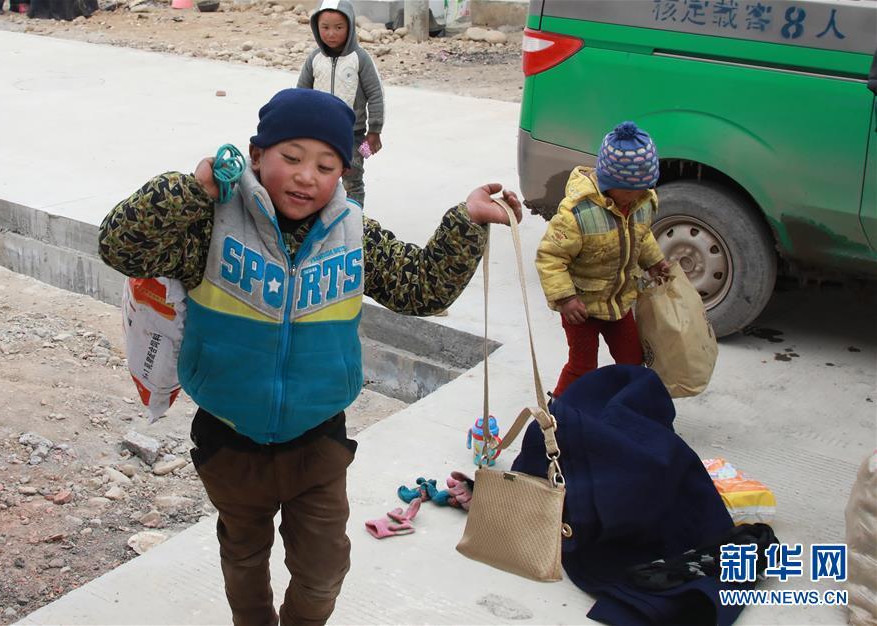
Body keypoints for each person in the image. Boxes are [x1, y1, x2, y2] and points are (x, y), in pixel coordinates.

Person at [98, 87, 521, 626]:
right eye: (291, 158)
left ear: (343, 174)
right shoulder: (210, 225)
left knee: (323, 570)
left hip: (318, 441)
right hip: (229, 438)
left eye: (326, 165)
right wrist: (193, 189)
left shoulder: (353, 233)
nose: (306, 176)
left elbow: (423, 289)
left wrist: (466, 221)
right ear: (256, 156)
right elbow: (120, 246)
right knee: (244, 557)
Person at [535, 121, 670, 402]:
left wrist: (654, 262)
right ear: (609, 183)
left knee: (633, 360)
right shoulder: (577, 214)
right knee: (582, 366)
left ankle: (626, 406)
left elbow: (641, 236)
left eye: (643, 189)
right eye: (629, 190)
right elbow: (550, 257)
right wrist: (565, 299)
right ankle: (559, 412)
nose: (636, 196)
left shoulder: (642, 202)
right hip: (581, 308)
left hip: (619, 302)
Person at [297, 0, 384, 208]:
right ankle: (321, 217)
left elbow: (375, 95)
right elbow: (300, 94)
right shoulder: (314, 59)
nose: (331, 34)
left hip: (352, 135)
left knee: (353, 177)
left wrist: (375, 130)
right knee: (318, 177)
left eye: (339, 28)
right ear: (316, 28)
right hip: (318, 134)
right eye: (325, 28)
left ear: (350, 27)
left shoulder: (359, 58)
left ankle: (354, 221)